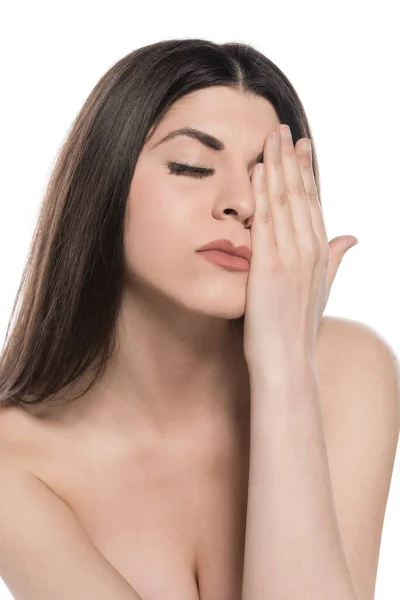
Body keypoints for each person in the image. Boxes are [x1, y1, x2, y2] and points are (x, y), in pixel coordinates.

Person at [0, 38, 394, 600]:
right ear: (103, 188)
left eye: (266, 177)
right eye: (192, 166)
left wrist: (285, 364)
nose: (242, 202)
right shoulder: (13, 457)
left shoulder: (348, 371)